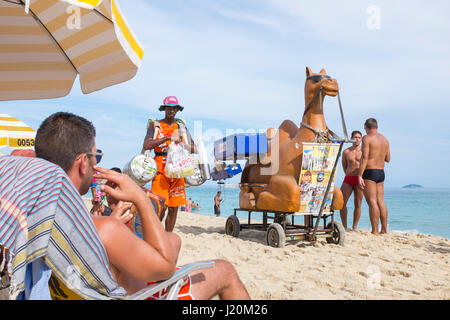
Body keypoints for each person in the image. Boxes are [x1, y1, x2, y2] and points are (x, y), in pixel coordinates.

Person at [36, 111, 250, 300]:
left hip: (75, 288)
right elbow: (165, 268)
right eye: (95, 156)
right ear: (83, 163)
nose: (96, 163)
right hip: (136, 294)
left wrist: (110, 224)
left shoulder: (37, 214)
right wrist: (139, 198)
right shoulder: (104, 229)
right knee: (225, 270)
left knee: (173, 239)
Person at [141, 96, 196, 232]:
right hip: (160, 170)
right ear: (164, 109)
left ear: (177, 110)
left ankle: (168, 236)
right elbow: (146, 144)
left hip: (178, 171)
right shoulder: (156, 125)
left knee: (174, 208)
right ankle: (155, 233)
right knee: (160, 206)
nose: (172, 110)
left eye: (174, 108)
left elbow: (194, 148)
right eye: (169, 108)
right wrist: (167, 138)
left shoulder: (181, 127)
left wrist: (182, 144)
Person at [358, 118, 391, 235]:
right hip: (381, 172)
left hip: (370, 172)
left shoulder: (366, 138)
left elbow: (365, 157)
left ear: (366, 127)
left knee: (372, 201)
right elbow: (388, 159)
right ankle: (385, 229)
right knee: (380, 200)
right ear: (376, 127)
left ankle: (375, 230)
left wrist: (360, 175)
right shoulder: (385, 140)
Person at [340, 130, 364, 230]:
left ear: (361, 139)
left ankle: (354, 227)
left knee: (357, 204)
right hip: (348, 178)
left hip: (359, 179)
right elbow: (344, 166)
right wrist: (348, 173)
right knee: (342, 202)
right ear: (351, 138)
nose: (357, 139)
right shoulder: (346, 151)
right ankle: (344, 226)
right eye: (355, 137)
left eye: (359, 137)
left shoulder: (364, 151)